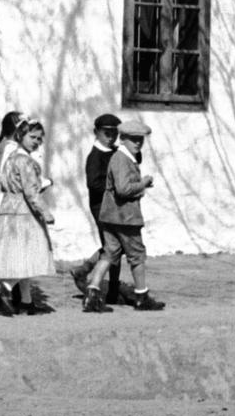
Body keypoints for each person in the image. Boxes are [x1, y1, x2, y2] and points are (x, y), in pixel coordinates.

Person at [82, 117, 165, 313]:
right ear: (124, 138)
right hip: (125, 218)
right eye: (134, 139)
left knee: (109, 254)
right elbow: (123, 189)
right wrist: (142, 183)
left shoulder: (120, 157)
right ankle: (141, 296)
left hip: (110, 216)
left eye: (141, 140)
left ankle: (92, 294)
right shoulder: (121, 159)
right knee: (137, 255)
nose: (138, 143)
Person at [0, 113, 55, 316]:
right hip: (24, 212)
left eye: (39, 139)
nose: (37, 142)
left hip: (9, 209)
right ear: (21, 135)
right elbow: (31, 192)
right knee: (29, 255)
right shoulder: (25, 161)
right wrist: (45, 212)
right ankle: (3, 289)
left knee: (21, 257)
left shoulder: (12, 158)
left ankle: (26, 301)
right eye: (33, 137)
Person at [69, 113, 124, 306]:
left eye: (114, 133)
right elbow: (93, 183)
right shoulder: (95, 156)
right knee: (114, 246)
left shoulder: (115, 151)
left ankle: (85, 270)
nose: (110, 137)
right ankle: (112, 290)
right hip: (100, 206)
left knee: (116, 246)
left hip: (114, 205)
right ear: (96, 133)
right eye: (106, 133)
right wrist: (115, 187)